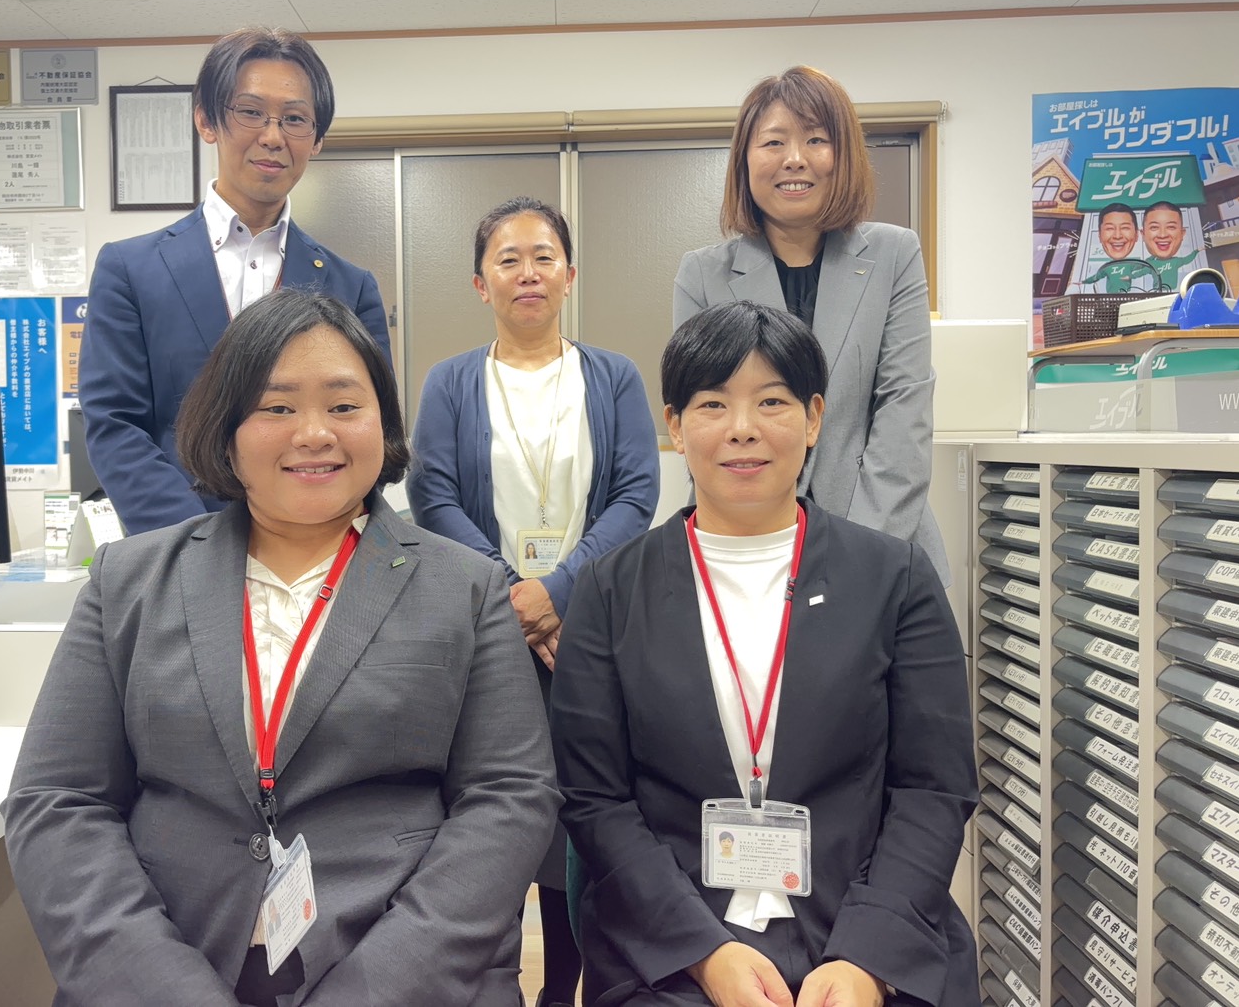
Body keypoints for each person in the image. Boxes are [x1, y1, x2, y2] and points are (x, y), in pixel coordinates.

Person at [4, 290, 558, 1007]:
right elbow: (57, 800)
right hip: (172, 961)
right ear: (226, 430)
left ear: (382, 425)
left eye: (343, 405)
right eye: (277, 407)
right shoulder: (129, 581)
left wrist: (371, 992)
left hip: (401, 972)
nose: (314, 433)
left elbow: (509, 800)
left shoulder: (466, 587)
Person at [551, 301, 978, 1007]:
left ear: (813, 418)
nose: (742, 428)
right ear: (675, 425)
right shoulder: (610, 588)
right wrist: (704, 956)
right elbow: (596, 800)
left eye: (771, 401)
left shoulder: (894, 578)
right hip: (671, 946)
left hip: (866, 932)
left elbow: (933, 791)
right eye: (713, 403)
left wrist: (863, 960)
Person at [408, 196, 660, 1007]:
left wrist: (557, 592)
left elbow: (634, 494)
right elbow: (433, 495)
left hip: (585, 632)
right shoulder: (450, 381)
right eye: (507, 258)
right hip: (488, 633)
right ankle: (487, 978)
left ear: (570, 275)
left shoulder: (612, 375)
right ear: (480, 283)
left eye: (543, 255)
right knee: (490, 804)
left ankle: (568, 983)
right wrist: (508, 598)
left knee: (581, 809)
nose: (527, 272)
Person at [79, 26, 391, 536]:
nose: (272, 136)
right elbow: (115, 424)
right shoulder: (130, 270)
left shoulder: (351, 286)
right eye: (250, 112)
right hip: (177, 551)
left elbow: (370, 427)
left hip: (314, 553)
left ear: (316, 140)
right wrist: (195, 544)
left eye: (294, 119)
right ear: (206, 120)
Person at [673, 65, 948, 583]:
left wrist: (860, 552)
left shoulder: (895, 254)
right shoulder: (703, 274)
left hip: (883, 543)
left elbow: (904, 407)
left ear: (843, 155)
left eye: (816, 139)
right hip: (743, 546)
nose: (794, 159)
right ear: (745, 162)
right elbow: (704, 416)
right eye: (773, 142)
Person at [1141, 200, 1201, 290]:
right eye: (1154, 227)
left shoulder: (1182, 267)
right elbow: (1139, 272)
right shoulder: (1148, 264)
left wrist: (1197, 251)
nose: (1162, 235)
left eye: (1171, 227)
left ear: (1182, 233)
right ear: (1143, 234)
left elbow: (1187, 259)